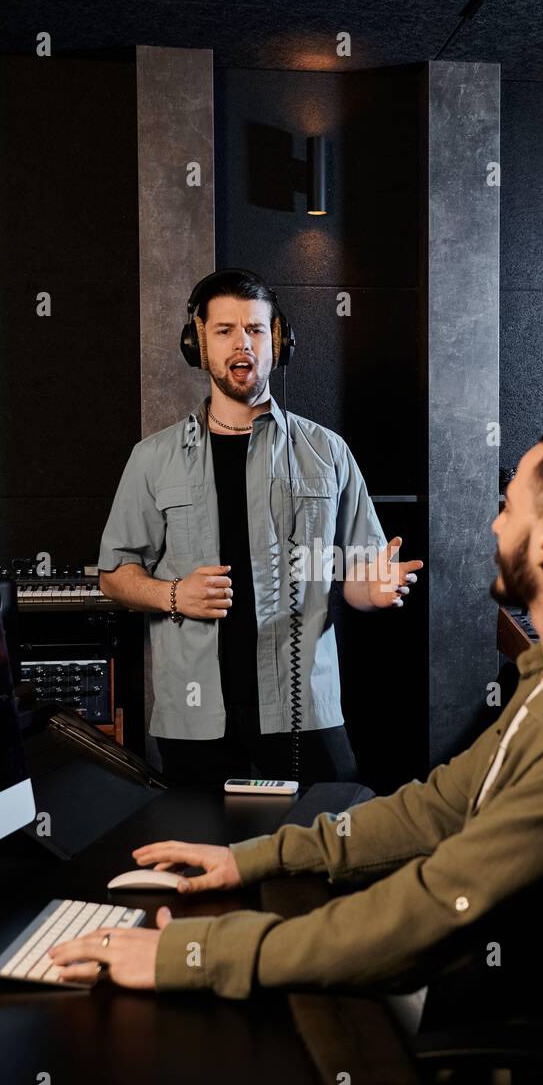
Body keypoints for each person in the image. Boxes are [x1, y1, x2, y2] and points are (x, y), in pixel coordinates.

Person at [51, 424, 543, 1085]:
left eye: (507, 508)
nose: (495, 524)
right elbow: (437, 808)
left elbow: (439, 904)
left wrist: (194, 954)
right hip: (509, 989)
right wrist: (254, 861)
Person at [96, 268, 422, 787]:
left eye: (254, 329)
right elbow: (114, 574)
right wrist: (175, 594)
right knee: (201, 856)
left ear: (277, 341)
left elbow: (357, 576)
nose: (241, 343)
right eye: (224, 330)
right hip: (195, 712)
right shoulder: (152, 459)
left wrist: (377, 590)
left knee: (335, 835)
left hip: (303, 705)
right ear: (197, 341)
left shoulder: (328, 452)